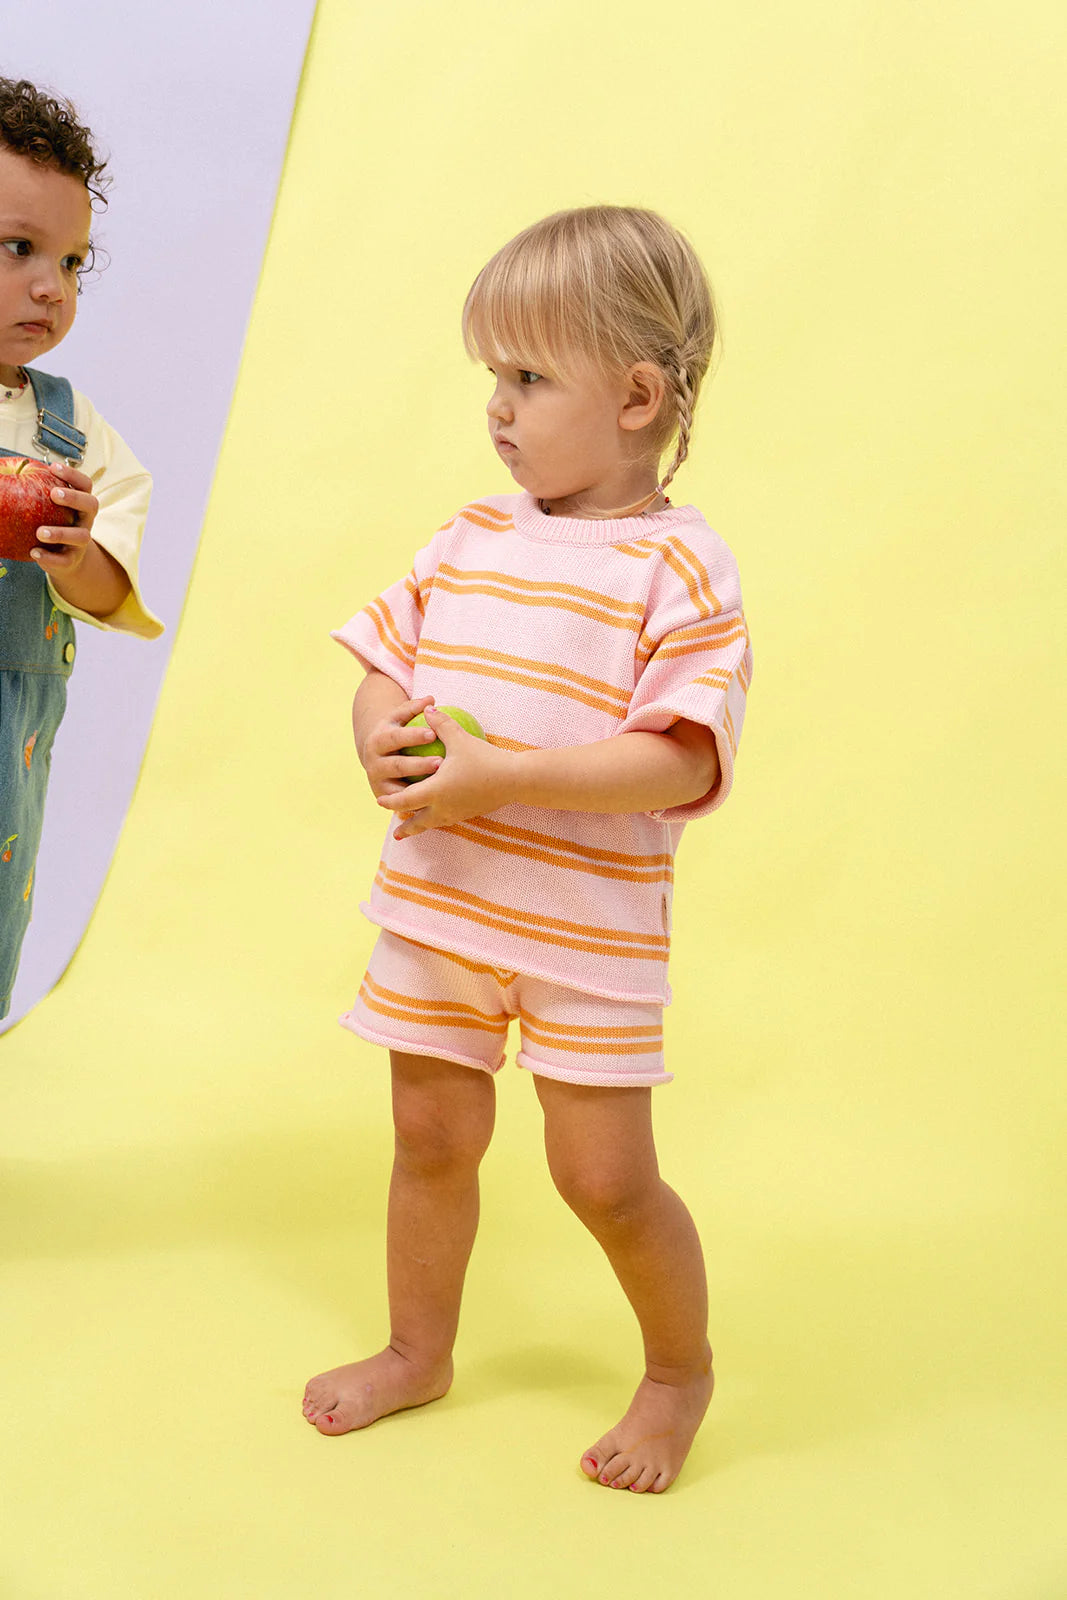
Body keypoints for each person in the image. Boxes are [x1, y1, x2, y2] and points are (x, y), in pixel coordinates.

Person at [306, 206, 753, 1494]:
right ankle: (415, 1348)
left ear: (634, 394)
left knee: (604, 1179)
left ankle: (677, 1372)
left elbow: (681, 756)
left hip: (585, 936)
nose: (496, 409)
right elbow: (380, 664)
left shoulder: (680, 564)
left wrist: (504, 775)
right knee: (428, 1138)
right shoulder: (470, 534)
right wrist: (379, 736)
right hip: (440, 907)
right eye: (490, 378)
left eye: (525, 377)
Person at [0, 78, 161, 1021]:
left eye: (71, 260)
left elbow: (111, 589)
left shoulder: (70, 433)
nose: (50, 285)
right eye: (17, 247)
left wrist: (73, 549)